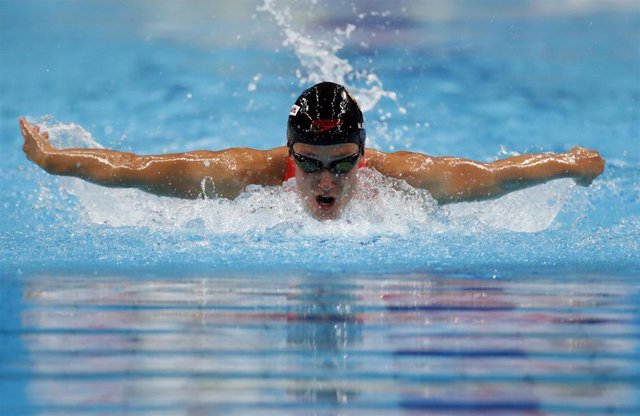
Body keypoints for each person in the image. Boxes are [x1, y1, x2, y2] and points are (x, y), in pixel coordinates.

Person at [20, 81, 605, 221]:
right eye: (311, 163)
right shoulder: (239, 176)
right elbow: (138, 171)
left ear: (364, 156)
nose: (327, 181)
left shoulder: (405, 180)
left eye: (344, 162)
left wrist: (571, 165)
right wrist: (53, 160)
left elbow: (496, 176)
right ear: (289, 153)